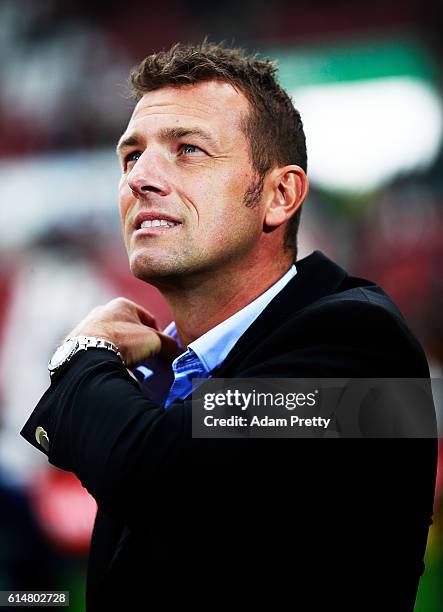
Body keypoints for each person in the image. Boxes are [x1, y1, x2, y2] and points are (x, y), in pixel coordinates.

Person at [21, 42, 437, 610]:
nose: (140, 178)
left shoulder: (364, 343)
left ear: (279, 195)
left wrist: (85, 353)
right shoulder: (172, 378)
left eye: (188, 149)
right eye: (130, 157)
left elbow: (165, 477)